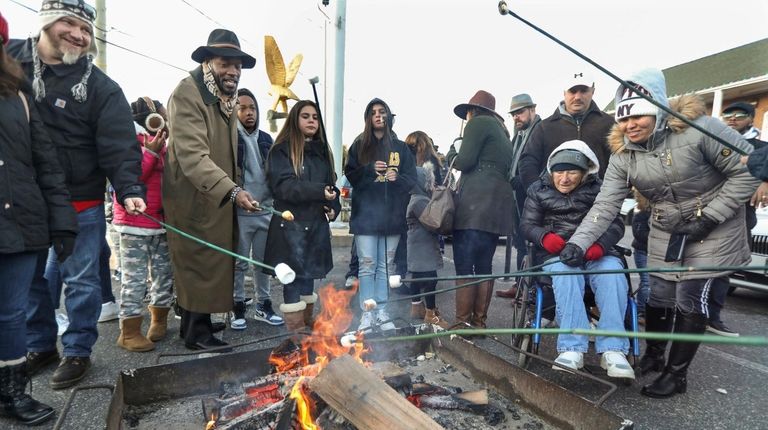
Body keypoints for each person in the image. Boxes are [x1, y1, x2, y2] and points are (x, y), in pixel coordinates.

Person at [564, 68, 758, 398]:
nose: (631, 125)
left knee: (689, 298)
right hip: (667, 227)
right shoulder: (623, 154)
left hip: (715, 227)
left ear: (658, 109)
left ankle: (676, 374)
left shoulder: (701, 129)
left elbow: (750, 171)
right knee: (659, 296)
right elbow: (605, 204)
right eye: (624, 119)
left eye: (640, 114)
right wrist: (577, 244)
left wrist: (710, 217)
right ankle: (654, 356)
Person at [8, 0, 146, 389]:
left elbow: (120, 144)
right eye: (69, 24)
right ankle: (40, 345)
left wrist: (130, 188)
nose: (79, 35)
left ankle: (78, 349)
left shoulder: (101, 87)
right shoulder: (10, 61)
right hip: (26, 198)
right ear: (46, 24)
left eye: (86, 30)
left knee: (82, 280)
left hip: (80, 200)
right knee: (32, 278)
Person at [0, 11, 77, 425]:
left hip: (18, 222)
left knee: (12, 312)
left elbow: (45, 162)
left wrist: (62, 219)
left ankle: (11, 393)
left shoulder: (19, 96)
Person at [163, 29, 257, 351]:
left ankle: (198, 322)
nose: (232, 71)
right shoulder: (188, 92)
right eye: (225, 62)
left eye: (237, 65)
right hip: (194, 198)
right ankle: (195, 334)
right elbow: (192, 155)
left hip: (214, 195)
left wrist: (233, 188)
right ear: (207, 62)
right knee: (197, 263)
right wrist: (231, 190)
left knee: (210, 261)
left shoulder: (223, 98)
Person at [521, 141, 634, 379]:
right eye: (559, 172)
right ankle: (572, 347)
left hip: (596, 252)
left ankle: (613, 349)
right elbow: (527, 225)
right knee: (566, 272)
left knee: (612, 272)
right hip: (556, 253)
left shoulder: (601, 190)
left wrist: (600, 246)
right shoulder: (538, 189)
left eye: (572, 172)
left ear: (585, 172)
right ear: (551, 171)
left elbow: (615, 224)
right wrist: (544, 237)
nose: (564, 178)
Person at [264, 100, 340, 339]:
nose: (311, 121)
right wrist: (319, 192)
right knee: (293, 282)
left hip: (316, 226)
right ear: (295, 120)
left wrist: (334, 206)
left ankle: (306, 332)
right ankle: (296, 334)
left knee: (309, 280)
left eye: (315, 117)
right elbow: (284, 187)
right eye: (305, 116)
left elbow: (331, 188)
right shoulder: (281, 151)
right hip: (291, 227)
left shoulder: (322, 153)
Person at [345, 98, 416, 331]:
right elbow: (351, 176)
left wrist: (398, 179)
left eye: (382, 111)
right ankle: (368, 313)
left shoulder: (401, 148)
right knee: (367, 265)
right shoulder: (359, 146)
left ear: (388, 116)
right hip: (366, 217)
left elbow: (411, 180)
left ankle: (382, 312)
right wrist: (368, 170)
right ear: (368, 118)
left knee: (385, 266)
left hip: (392, 217)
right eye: (373, 112)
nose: (378, 115)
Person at [446, 90, 515, 328]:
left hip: (474, 205)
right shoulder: (503, 132)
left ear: (472, 110)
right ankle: (479, 323)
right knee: (484, 264)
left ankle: (462, 322)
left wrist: (452, 153)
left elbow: (463, 161)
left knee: (465, 262)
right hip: (496, 207)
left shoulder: (477, 123)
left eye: (467, 113)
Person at [112, 97, 174, 352]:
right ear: (150, 121)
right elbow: (126, 180)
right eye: (161, 117)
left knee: (163, 275)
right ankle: (129, 332)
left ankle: (159, 320)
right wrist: (149, 153)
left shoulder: (163, 146)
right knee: (134, 280)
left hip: (159, 222)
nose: (165, 122)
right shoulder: (128, 144)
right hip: (133, 223)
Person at [233, 88, 283, 329]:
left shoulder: (266, 139)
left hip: (266, 210)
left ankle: (264, 304)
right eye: (242, 108)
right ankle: (237, 305)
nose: (248, 112)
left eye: (252, 107)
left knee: (263, 263)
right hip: (241, 212)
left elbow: (275, 171)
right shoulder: (230, 138)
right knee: (239, 262)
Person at [518, 73, 614, 192]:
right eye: (572, 91)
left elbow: (622, 164)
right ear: (564, 93)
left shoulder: (610, 124)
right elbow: (528, 161)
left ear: (593, 91)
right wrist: (539, 193)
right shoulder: (544, 127)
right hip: (553, 205)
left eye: (583, 91)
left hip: (599, 202)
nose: (578, 97)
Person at [497, 93, 542, 298]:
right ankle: (520, 286)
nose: (516, 117)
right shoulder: (520, 135)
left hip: (534, 198)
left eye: (520, 112)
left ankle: (529, 290)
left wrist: (522, 182)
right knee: (521, 244)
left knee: (532, 246)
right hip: (517, 198)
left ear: (532, 110)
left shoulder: (541, 131)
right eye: (513, 114)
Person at [406, 164, 449, 328]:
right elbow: (433, 222)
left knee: (417, 277)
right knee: (431, 278)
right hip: (423, 247)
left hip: (418, 245)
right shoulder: (420, 200)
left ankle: (416, 307)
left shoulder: (416, 198)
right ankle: (430, 312)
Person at [631, 191, 651, 324]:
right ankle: (641, 311)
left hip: (657, 252)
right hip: (643, 251)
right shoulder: (642, 215)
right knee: (647, 282)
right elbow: (639, 235)